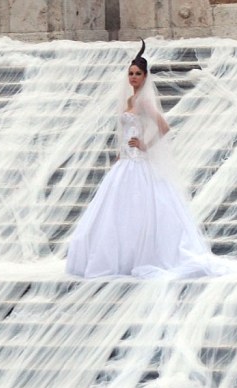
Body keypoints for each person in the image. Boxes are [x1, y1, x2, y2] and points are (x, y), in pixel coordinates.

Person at [66, 40, 215, 278]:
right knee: (115, 212)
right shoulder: (128, 102)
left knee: (141, 209)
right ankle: (122, 256)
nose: (133, 78)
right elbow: (126, 132)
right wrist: (120, 154)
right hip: (126, 161)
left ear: (145, 77)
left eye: (137, 74)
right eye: (130, 74)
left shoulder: (144, 102)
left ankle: (145, 255)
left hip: (140, 162)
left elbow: (164, 127)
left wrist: (146, 145)